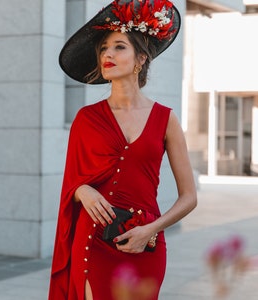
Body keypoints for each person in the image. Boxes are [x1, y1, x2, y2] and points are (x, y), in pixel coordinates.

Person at [49, 0, 197, 299]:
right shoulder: (86, 118)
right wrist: (83, 191)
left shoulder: (166, 119)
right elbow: (71, 179)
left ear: (140, 58)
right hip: (93, 241)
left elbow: (189, 197)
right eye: (104, 48)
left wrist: (150, 229)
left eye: (118, 47)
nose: (107, 54)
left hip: (146, 240)